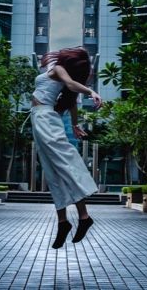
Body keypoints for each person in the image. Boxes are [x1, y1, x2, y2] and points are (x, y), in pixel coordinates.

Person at [31, 47, 102, 249]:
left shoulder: (60, 69)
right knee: (52, 170)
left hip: (45, 117)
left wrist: (91, 91)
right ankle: (63, 222)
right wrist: (73, 124)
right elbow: (71, 103)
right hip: (40, 119)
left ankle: (84, 216)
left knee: (64, 163)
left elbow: (71, 86)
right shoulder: (61, 74)